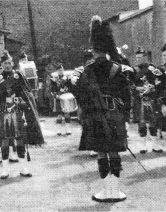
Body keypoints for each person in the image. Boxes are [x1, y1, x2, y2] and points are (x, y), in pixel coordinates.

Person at [71, 15, 131, 202]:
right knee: (113, 151)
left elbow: (80, 97)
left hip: (95, 118)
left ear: (94, 49)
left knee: (101, 152)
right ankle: (116, 191)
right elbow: (127, 97)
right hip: (116, 117)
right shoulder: (119, 69)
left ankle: (105, 192)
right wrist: (126, 119)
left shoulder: (87, 71)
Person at [0, 51, 45, 179]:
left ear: (12, 63)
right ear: (1, 65)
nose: (7, 65)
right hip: (4, 113)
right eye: (5, 63)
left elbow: (27, 93)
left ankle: (23, 168)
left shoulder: (18, 76)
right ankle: (5, 170)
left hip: (18, 112)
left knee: (20, 141)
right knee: (5, 142)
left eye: (9, 63)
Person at [133, 47, 163, 154]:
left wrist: (152, 87)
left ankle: (155, 144)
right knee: (141, 123)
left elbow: (160, 81)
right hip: (139, 99)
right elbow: (129, 85)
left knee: (153, 122)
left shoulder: (152, 68)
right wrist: (137, 88)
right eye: (137, 57)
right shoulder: (133, 70)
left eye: (141, 57)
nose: (138, 59)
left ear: (145, 57)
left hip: (151, 99)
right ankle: (143, 145)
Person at [72, 49, 97, 157]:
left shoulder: (98, 69)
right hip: (85, 102)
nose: (90, 61)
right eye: (88, 60)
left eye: (92, 59)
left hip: (97, 101)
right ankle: (92, 147)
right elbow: (74, 80)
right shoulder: (80, 70)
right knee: (87, 124)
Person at [50, 63, 75, 136]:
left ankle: (68, 129)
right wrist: (57, 93)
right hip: (59, 97)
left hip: (66, 97)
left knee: (67, 114)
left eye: (62, 70)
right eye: (59, 70)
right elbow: (52, 89)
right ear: (57, 71)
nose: (61, 71)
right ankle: (59, 130)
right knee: (59, 115)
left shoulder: (67, 78)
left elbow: (71, 87)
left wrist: (67, 88)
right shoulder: (54, 79)